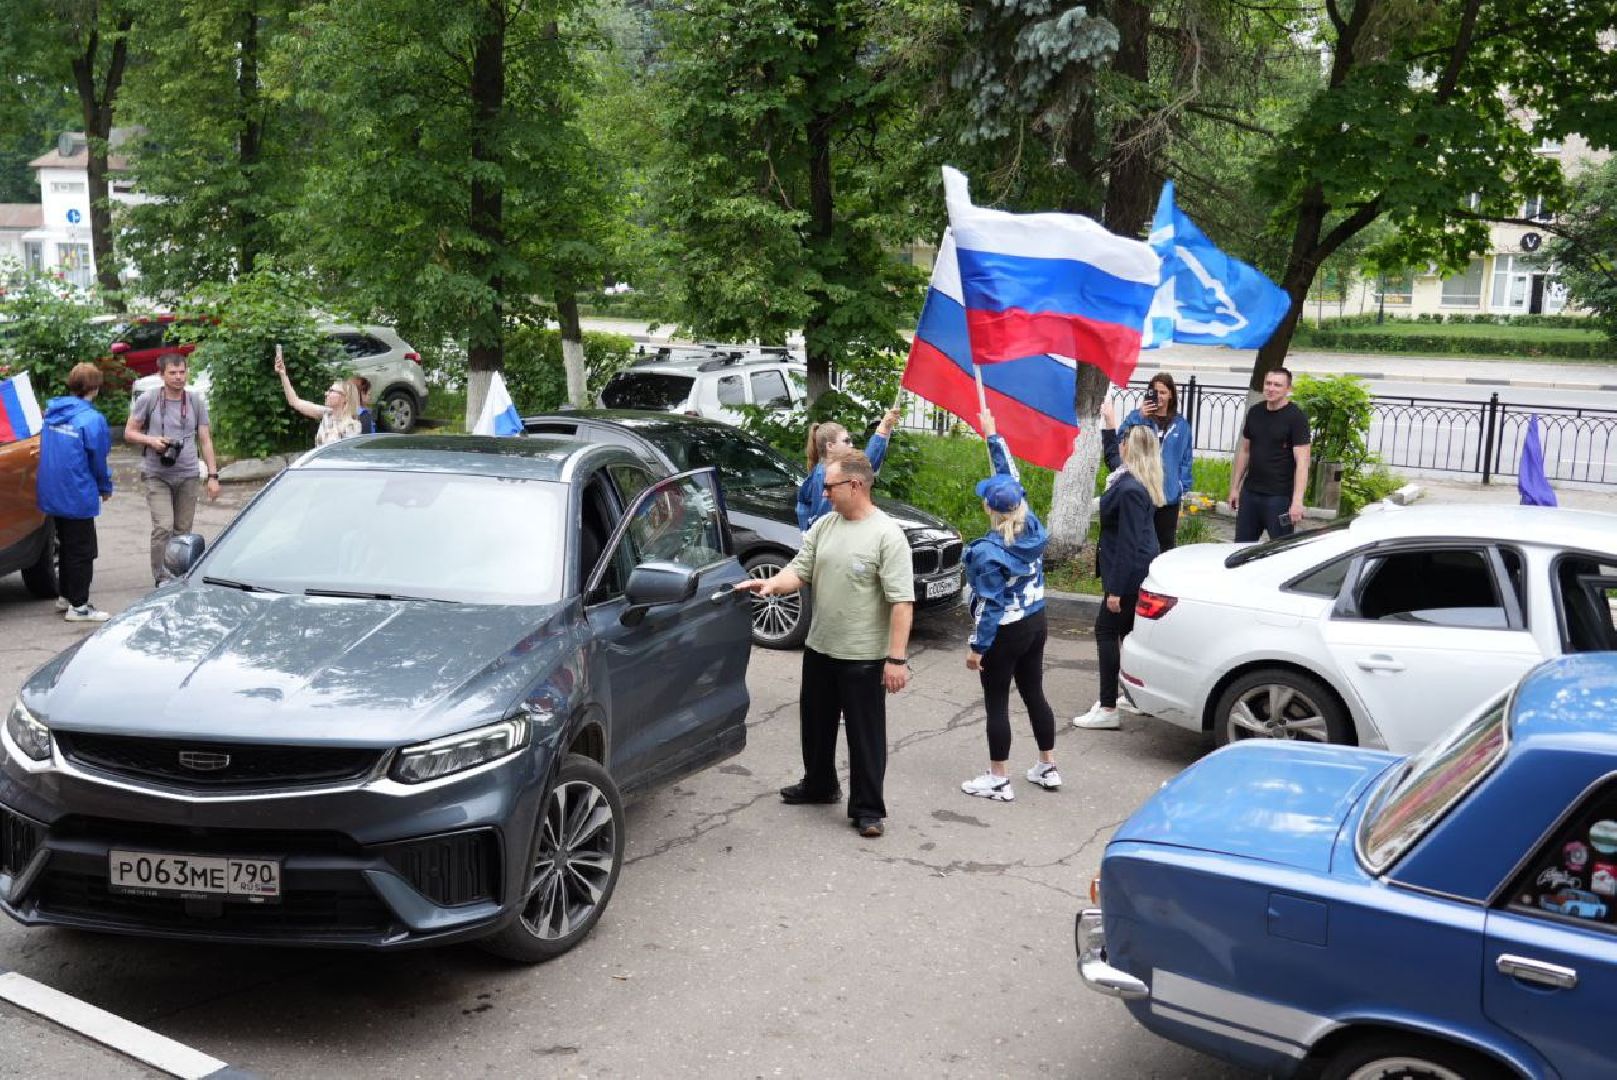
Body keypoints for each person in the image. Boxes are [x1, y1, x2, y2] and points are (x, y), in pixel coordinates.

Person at [737, 451, 913, 838]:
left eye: (830, 486)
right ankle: (819, 784)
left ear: (856, 485)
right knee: (816, 725)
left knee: (865, 736)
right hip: (820, 647)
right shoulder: (826, 525)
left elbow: (902, 602)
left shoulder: (887, 535)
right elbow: (799, 570)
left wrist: (896, 659)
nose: (825, 493)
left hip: (863, 655)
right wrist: (770, 584)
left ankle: (868, 809)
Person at [959, 411, 1059, 801]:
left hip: (1005, 632)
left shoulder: (988, 553)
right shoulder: (1031, 525)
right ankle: (1047, 765)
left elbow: (990, 606)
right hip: (1036, 621)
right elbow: (1010, 477)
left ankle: (998, 777)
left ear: (989, 508)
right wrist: (993, 435)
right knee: (1034, 691)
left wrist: (977, 647)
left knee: (997, 701)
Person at [1073, 401, 1164, 731]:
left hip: (1129, 573)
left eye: (1123, 440)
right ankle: (1133, 697)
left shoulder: (1128, 490)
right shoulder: (1132, 478)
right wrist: (1109, 424)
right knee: (1127, 634)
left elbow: (1128, 544)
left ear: (1131, 449)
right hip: (1136, 570)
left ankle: (1108, 707)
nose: (1119, 445)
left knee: (1107, 631)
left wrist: (1115, 590)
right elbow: (1112, 457)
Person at [125, 354, 221, 586]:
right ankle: (161, 577)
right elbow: (129, 432)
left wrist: (213, 475)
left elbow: (205, 439)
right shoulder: (149, 399)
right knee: (163, 527)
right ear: (161, 375)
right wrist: (152, 441)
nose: (178, 377)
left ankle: (179, 577)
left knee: (183, 531)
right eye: (172, 373)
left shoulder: (195, 401)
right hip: (157, 473)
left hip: (188, 473)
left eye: (182, 372)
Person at [37, 362, 114, 622]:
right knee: (82, 550)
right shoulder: (91, 419)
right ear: (95, 387)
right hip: (77, 492)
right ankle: (79, 606)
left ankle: (65, 596)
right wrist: (105, 486)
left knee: (66, 544)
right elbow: (98, 459)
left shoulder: (52, 413)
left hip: (52, 491)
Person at [1230, 367, 1311, 542]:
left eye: (1277, 385)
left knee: (1281, 549)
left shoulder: (1296, 417)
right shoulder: (1255, 412)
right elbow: (1245, 451)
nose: (1271, 388)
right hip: (1250, 494)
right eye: (1268, 383)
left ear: (1288, 389)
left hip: (1279, 498)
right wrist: (1235, 488)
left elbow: (1303, 463)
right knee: (1241, 548)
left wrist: (1297, 501)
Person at [1117, 372, 1194, 552]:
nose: (1159, 396)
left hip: (1168, 495)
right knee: (1140, 541)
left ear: (1171, 395)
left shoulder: (1181, 425)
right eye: (1155, 392)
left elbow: (1186, 459)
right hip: (1142, 491)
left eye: (1163, 392)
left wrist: (1181, 487)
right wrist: (1140, 416)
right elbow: (1121, 440)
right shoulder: (1138, 417)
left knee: (1166, 543)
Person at [795, 407, 903, 531]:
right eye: (846, 441)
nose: (851, 445)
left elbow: (802, 502)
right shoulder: (830, 473)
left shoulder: (820, 470)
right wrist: (883, 427)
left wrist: (807, 528)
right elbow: (866, 464)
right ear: (830, 446)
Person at [274, 345, 362, 447]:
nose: (326, 393)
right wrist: (283, 374)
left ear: (345, 398)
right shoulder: (327, 414)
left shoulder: (352, 426)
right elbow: (294, 401)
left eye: (332, 391)